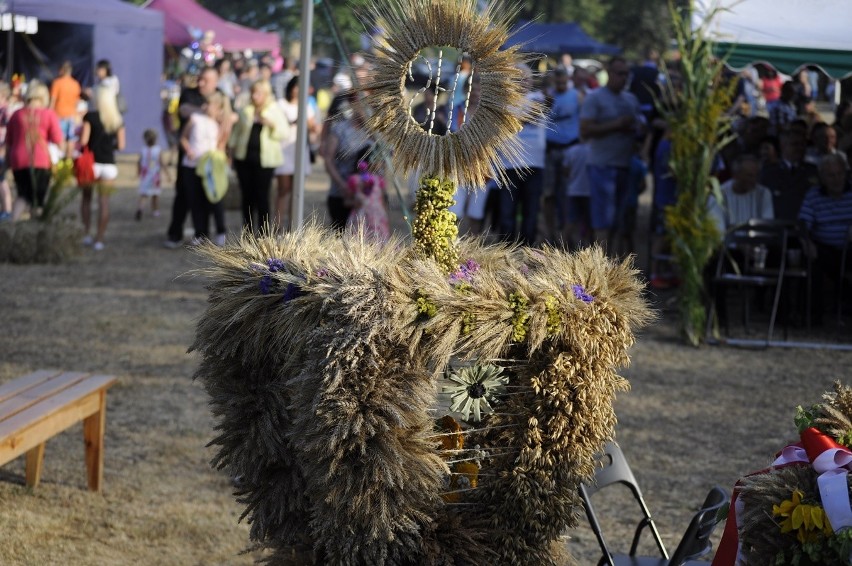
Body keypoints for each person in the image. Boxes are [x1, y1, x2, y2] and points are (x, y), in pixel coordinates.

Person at [579, 56, 644, 251]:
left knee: (619, 218)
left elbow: (640, 127)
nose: (623, 78)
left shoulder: (631, 99)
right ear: (608, 73)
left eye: (626, 74)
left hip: (625, 165)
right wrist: (616, 125)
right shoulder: (595, 97)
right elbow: (585, 131)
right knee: (602, 219)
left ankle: (612, 261)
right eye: (619, 73)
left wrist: (639, 128)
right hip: (601, 165)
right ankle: (600, 264)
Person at [165, 65, 219, 248]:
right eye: (200, 79)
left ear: (215, 82)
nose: (201, 83)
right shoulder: (190, 94)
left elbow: (229, 115)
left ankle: (202, 234)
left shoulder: (221, 96)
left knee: (207, 197)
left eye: (206, 80)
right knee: (183, 194)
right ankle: (175, 232)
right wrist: (205, 110)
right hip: (189, 156)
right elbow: (184, 110)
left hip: (210, 158)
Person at [798, 154, 852, 322]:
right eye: (831, 175)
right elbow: (802, 225)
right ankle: (814, 315)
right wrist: (807, 242)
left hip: (850, 246)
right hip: (824, 248)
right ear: (822, 178)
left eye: (839, 174)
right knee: (811, 260)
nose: (836, 179)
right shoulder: (813, 196)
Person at [229, 79, 288, 234]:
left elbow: (284, 132)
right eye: (253, 92)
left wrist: (271, 125)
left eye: (258, 93)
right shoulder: (246, 110)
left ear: (266, 94)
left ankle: (263, 232)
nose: (255, 96)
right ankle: (247, 231)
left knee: (262, 196)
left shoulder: (274, 110)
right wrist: (230, 151)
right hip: (244, 159)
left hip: (265, 161)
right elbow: (236, 134)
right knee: (247, 197)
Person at [498, 64, 545, 246]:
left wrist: (515, 119)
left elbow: (532, 114)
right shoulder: (504, 102)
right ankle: (506, 250)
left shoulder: (538, 98)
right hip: (509, 164)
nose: (523, 82)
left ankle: (527, 251)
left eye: (527, 78)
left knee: (530, 212)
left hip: (534, 164)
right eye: (519, 78)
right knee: (507, 213)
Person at [5, 81, 62, 221]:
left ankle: (12, 223)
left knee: (22, 194)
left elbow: (8, 142)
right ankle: (34, 228)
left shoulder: (16, 115)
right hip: (40, 160)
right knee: (38, 198)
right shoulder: (48, 114)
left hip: (18, 159)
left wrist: (7, 163)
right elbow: (57, 139)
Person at [181, 91, 232, 245]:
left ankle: (220, 231)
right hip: (192, 165)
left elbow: (222, 145)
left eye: (209, 104)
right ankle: (200, 232)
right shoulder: (195, 119)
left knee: (215, 199)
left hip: (210, 168)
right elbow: (184, 137)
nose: (205, 106)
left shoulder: (219, 125)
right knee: (195, 200)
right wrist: (188, 150)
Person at [79, 86, 126, 250]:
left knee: (86, 199)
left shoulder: (90, 117)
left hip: (91, 164)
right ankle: (99, 239)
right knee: (104, 203)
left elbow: (84, 141)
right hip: (109, 165)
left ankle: (86, 234)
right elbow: (121, 145)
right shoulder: (117, 120)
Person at [273, 75, 317, 232]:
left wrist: (310, 125)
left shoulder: (306, 106)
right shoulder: (281, 104)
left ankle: (293, 226)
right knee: (283, 189)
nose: (297, 90)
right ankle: (277, 226)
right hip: (284, 149)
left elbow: (314, 128)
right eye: (295, 86)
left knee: (297, 191)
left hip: (300, 150)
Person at [542, 65, 580, 243]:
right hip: (550, 149)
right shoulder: (546, 97)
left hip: (570, 149)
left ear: (568, 79)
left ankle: (566, 234)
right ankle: (550, 233)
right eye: (558, 81)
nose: (561, 84)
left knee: (568, 193)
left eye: (564, 80)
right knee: (549, 194)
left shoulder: (577, 96)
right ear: (553, 80)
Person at [322, 92, 370, 231]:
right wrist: (342, 185)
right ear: (354, 105)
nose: (366, 109)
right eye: (363, 104)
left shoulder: (373, 132)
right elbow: (328, 159)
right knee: (340, 234)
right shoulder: (340, 129)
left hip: (367, 197)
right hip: (341, 194)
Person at [707, 154, 774, 235]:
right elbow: (718, 230)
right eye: (749, 176)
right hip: (727, 245)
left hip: (758, 244)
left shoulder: (763, 193)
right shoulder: (718, 195)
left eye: (756, 175)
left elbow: (766, 226)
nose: (754, 180)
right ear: (736, 175)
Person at [345, 151, 389, 241]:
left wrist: (386, 221)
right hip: (360, 218)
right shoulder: (354, 180)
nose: (380, 163)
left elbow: (383, 202)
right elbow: (346, 201)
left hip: (378, 219)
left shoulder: (379, 180)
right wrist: (356, 203)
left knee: (379, 242)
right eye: (377, 160)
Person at [136, 128, 171, 220]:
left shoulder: (143, 150)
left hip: (145, 175)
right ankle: (155, 210)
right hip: (155, 176)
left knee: (144, 194)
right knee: (155, 195)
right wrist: (168, 174)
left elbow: (139, 162)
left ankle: (140, 208)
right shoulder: (158, 150)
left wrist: (138, 172)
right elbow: (162, 163)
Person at [49, 61, 81, 158]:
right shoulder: (75, 84)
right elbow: (77, 103)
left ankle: (61, 160)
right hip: (72, 116)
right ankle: (69, 161)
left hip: (58, 116)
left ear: (62, 70)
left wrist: (49, 114)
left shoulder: (57, 83)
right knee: (71, 140)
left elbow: (52, 101)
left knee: (60, 139)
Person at [0, 82, 13, 221]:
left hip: (1, 150)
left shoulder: (4, 111)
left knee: (1, 181)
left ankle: (7, 210)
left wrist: (4, 150)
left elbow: (8, 131)